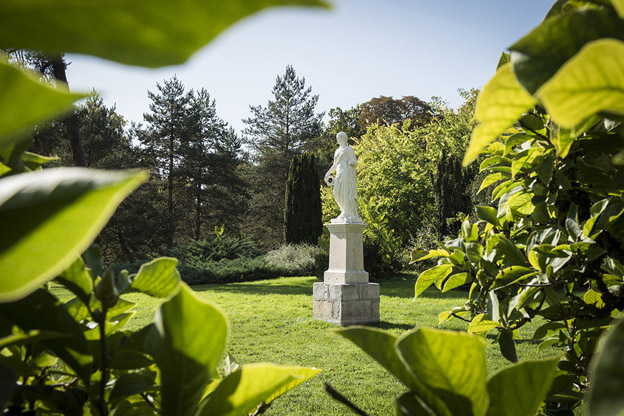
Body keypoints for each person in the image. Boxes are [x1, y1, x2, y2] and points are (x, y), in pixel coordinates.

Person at [325, 132, 361, 223]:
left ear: (343, 138)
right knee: (336, 192)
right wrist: (327, 173)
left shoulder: (349, 149)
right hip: (339, 173)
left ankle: (346, 211)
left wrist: (351, 162)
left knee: (345, 191)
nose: (337, 139)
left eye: (338, 138)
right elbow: (335, 165)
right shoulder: (337, 151)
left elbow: (355, 162)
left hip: (346, 172)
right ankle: (344, 210)